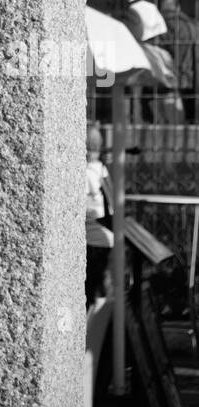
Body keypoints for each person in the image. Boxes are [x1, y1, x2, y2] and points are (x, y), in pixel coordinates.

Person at [85, 123, 113, 306]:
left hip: (94, 238)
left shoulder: (86, 172)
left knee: (91, 289)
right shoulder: (101, 168)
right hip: (107, 235)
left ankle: (94, 329)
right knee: (102, 286)